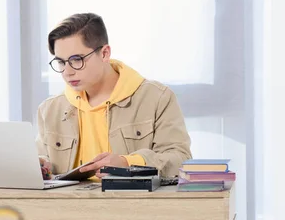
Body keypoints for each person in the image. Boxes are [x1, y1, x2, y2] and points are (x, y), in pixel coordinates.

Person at [36, 13, 191, 179]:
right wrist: (41, 166)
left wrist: (127, 163)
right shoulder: (50, 109)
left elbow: (180, 160)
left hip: (131, 204)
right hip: (67, 204)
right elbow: (43, 159)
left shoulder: (157, 98)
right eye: (61, 62)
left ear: (104, 53)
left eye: (77, 59)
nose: (67, 72)